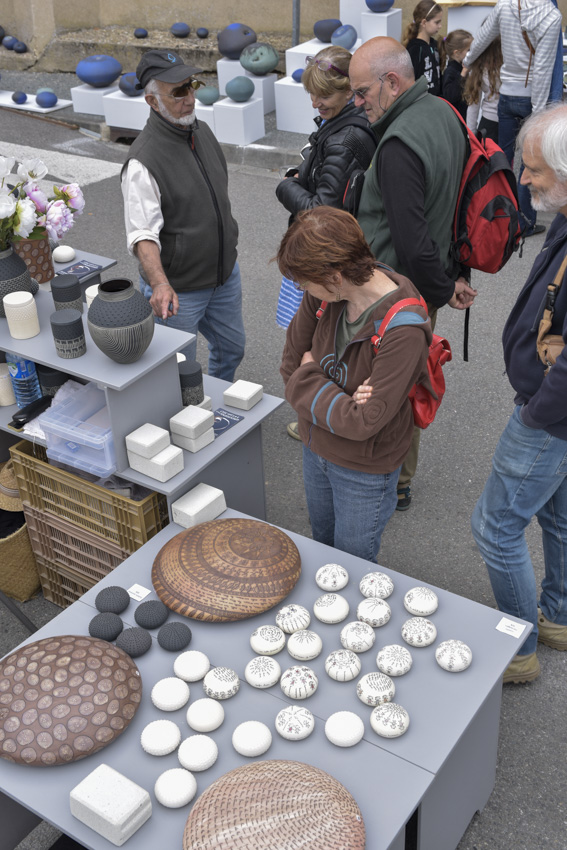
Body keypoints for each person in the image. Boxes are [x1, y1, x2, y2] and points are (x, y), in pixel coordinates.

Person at [350, 36, 477, 511]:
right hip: (423, 290)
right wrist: (454, 276)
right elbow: (455, 205)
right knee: (411, 383)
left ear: (392, 82)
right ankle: (401, 479)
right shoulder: (444, 111)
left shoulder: (400, 142)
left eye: (362, 92)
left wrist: (443, 287)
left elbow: (411, 240)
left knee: (391, 391)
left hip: (394, 296)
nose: (357, 103)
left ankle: (388, 483)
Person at [471, 104, 567, 685]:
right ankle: (556, 616)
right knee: (556, 515)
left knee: (495, 526)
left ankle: (521, 646)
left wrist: (536, 414)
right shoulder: (564, 212)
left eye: (533, 170)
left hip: (548, 417)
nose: (523, 180)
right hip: (553, 414)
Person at [279, 207, 432, 561]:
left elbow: (364, 423)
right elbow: (290, 367)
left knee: (354, 563)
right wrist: (338, 398)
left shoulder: (405, 329)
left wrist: (311, 374)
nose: (302, 288)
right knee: (322, 546)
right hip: (315, 445)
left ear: (334, 276)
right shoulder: (322, 293)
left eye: (305, 281)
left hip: (364, 470)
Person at [121, 49, 245, 381]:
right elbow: (142, 234)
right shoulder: (143, 161)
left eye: (191, 86)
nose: (190, 98)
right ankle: (183, 422)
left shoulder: (200, 131)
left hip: (223, 276)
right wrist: (160, 283)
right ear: (152, 101)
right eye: (178, 92)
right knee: (178, 370)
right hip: (180, 290)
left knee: (232, 349)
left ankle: (215, 410)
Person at [275, 44, 377, 440]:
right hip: (336, 258)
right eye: (312, 94)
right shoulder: (349, 125)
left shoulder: (343, 137)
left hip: (325, 260)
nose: (317, 103)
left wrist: (287, 187)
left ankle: (319, 417)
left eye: (325, 95)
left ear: (349, 91)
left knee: (320, 341)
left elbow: (321, 210)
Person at [462, 0, 562, 238]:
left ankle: (494, 214)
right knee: (529, 165)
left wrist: (467, 61)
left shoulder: (505, 6)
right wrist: (538, 115)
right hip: (530, 99)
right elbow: (543, 69)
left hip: (507, 96)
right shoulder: (551, 16)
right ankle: (524, 222)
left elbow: (483, 37)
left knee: (502, 159)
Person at [464, 37, 503, 143]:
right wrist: (471, 135)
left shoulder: (508, 66)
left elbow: (473, 104)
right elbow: (473, 103)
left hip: (503, 123)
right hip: (490, 124)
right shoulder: (479, 69)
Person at [403, 0, 443, 96]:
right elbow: (410, 82)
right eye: (437, 22)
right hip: (421, 102)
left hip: (436, 100)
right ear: (424, 22)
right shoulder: (415, 49)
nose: (440, 26)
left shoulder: (435, 44)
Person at [439, 30, 473, 120]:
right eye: (468, 50)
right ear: (457, 53)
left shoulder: (461, 68)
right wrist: (462, 75)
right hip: (455, 120)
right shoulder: (450, 71)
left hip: (463, 117)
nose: (471, 53)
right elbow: (450, 96)